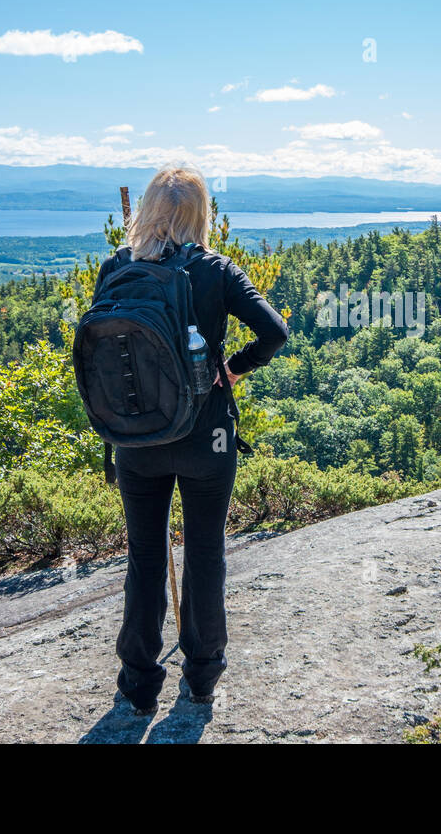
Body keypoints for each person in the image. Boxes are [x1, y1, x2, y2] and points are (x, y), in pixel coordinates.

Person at [92, 164, 288, 715]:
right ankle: (202, 674)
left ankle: (138, 681)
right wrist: (233, 368)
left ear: (147, 210)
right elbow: (275, 331)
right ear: (202, 215)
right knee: (205, 553)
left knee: (145, 557)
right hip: (208, 437)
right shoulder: (215, 269)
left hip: (137, 437)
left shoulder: (115, 267)